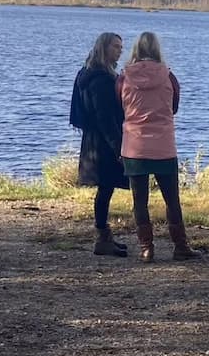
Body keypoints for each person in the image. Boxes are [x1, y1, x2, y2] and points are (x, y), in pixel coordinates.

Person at [117, 31, 194, 263]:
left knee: (139, 201)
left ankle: (146, 248)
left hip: (134, 145)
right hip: (163, 145)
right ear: (157, 50)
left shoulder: (123, 78)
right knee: (172, 199)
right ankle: (180, 246)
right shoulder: (169, 77)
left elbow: (119, 106)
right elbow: (174, 107)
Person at [69, 32, 130, 257]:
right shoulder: (101, 80)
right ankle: (102, 238)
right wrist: (117, 146)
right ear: (104, 48)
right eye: (115, 46)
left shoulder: (86, 73)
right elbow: (104, 116)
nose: (120, 51)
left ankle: (104, 236)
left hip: (93, 138)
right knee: (105, 188)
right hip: (103, 141)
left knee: (106, 188)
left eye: (121, 47)